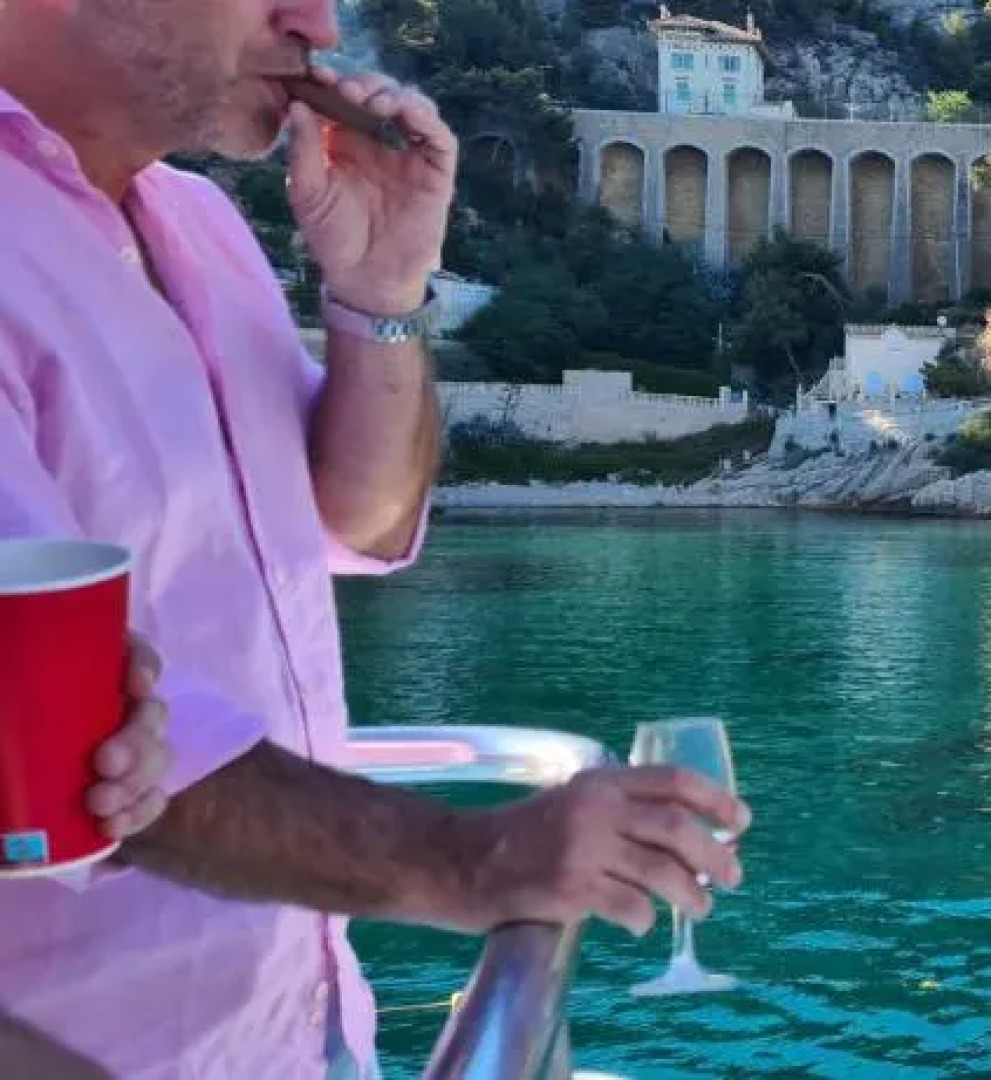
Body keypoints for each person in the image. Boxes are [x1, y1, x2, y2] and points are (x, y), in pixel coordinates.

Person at [0, 4, 752, 1077]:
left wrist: (382, 293)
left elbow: (362, 518)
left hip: (304, 1034)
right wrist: (476, 856)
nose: (315, 24)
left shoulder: (203, 228)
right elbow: (39, 718)